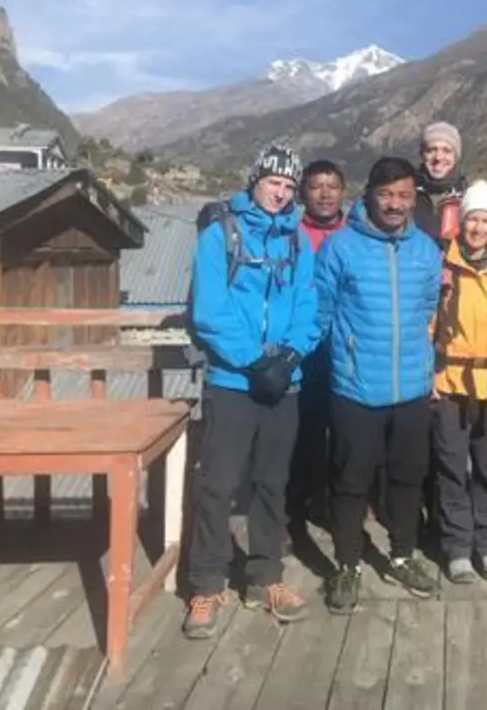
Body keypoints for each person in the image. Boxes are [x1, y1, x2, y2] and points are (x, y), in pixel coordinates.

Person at [182, 143, 320, 637]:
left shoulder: (298, 240)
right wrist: (253, 360)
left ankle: (265, 576)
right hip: (232, 381)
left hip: (284, 383)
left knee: (271, 484)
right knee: (217, 485)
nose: (280, 193)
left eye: (288, 186)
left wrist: (290, 356)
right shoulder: (219, 233)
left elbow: (309, 305)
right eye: (273, 182)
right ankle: (206, 583)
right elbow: (209, 309)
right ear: (254, 180)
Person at [315, 157, 445, 613]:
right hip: (356, 388)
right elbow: (322, 312)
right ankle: (347, 564)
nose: (395, 204)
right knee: (350, 482)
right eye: (386, 194)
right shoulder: (340, 247)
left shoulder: (425, 250)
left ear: (413, 199)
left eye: (404, 195)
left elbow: (428, 306)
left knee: (408, 478)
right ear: (369, 195)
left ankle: (402, 555)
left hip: (411, 388)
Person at [430, 180, 487, 583]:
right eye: (472, 220)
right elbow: (427, 321)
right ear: (460, 222)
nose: (478, 228)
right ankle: (458, 547)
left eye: (485, 221)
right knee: (450, 466)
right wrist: (428, 373)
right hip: (449, 381)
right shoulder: (442, 266)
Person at [290, 159, 349, 529]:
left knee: (345, 429)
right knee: (305, 426)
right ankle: (299, 502)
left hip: (346, 345)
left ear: (343, 192)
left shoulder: (356, 235)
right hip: (305, 347)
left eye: (332, 187)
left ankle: (337, 499)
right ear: (303, 193)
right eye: (316, 187)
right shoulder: (291, 235)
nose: (325, 195)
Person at [415, 121, 467, 249]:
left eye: (446, 151)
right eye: (431, 150)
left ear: (456, 157)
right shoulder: (406, 193)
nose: (438, 157)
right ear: (422, 155)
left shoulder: (467, 196)